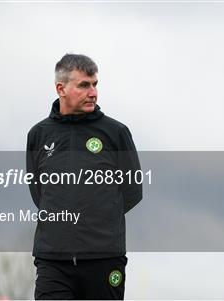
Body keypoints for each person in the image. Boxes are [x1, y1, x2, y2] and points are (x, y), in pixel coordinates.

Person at [26, 53, 143, 300]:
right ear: (61, 88)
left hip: (104, 258)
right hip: (52, 259)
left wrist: (97, 223)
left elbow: (133, 192)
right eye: (84, 85)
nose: (93, 92)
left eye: (95, 84)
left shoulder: (116, 133)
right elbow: (40, 193)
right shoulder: (38, 135)